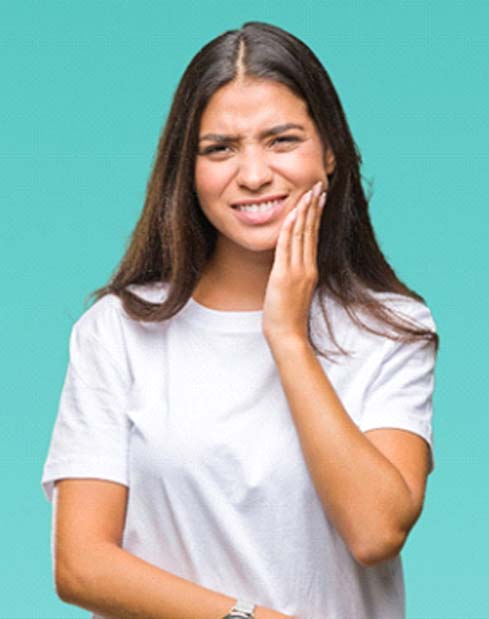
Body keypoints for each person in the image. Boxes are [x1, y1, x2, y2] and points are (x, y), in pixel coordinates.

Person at [40, 21, 439, 619]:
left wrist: (287, 336)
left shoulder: (390, 328)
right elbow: (81, 565)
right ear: (188, 167)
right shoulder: (116, 331)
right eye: (219, 148)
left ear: (329, 151)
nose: (252, 175)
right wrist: (247, 618)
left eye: (282, 140)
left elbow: (375, 530)